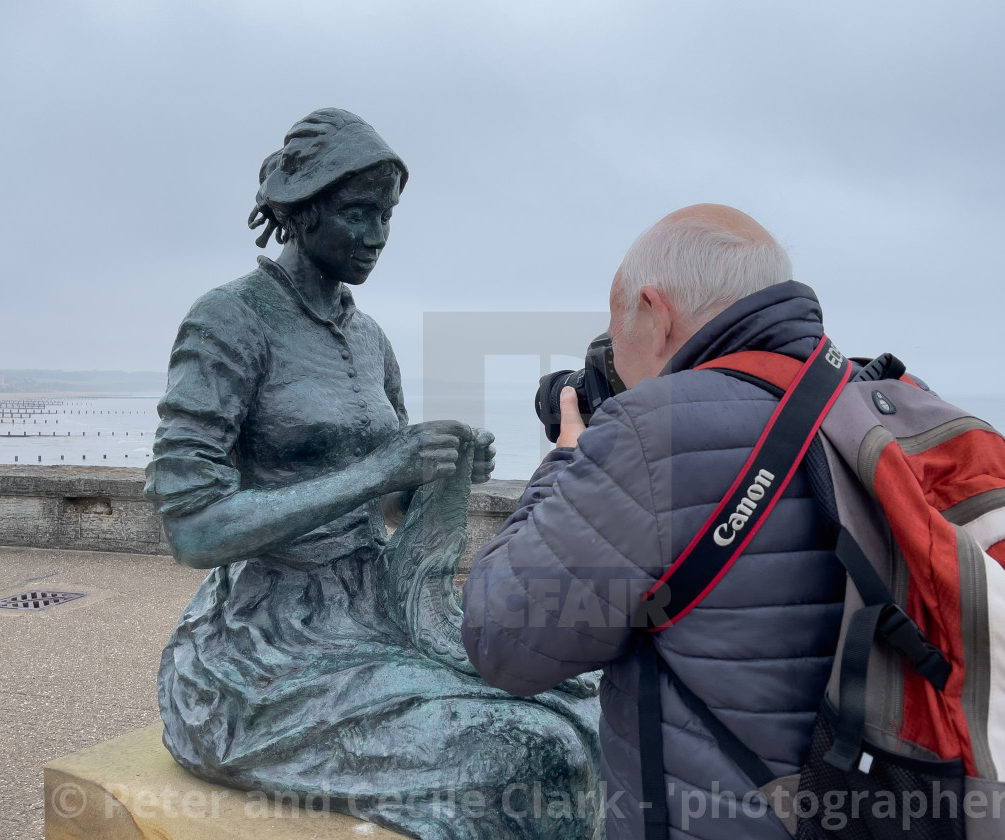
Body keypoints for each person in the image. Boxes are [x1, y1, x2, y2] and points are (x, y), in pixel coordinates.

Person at [146, 108, 601, 840]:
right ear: (300, 213)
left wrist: (430, 476)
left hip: (379, 607)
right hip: (269, 641)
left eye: (385, 217)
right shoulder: (229, 320)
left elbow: (385, 504)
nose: (376, 238)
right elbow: (192, 527)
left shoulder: (369, 339)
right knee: (530, 756)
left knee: (589, 704)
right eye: (358, 215)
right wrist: (374, 472)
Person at [462, 204, 846, 839]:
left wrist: (567, 460)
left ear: (654, 311)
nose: (619, 361)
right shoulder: (884, 400)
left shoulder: (651, 434)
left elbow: (503, 640)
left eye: (617, 337)